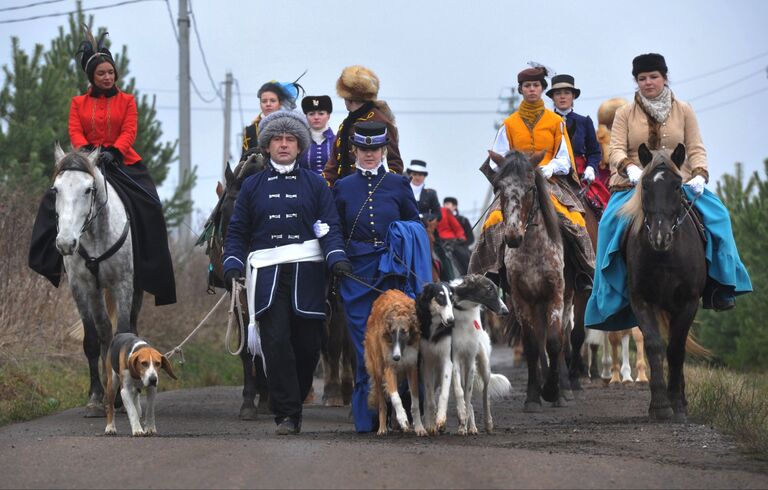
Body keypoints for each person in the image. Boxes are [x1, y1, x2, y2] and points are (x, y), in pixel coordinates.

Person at [585, 53, 752, 331]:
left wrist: (699, 174)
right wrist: (629, 168)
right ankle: (607, 297)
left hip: (678, 183)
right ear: (636, 81)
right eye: (642, 78)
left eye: (653, 77)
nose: (648, 83)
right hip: (635, 184)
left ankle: (720, 286)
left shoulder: (684, 109)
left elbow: (696, 147)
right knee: (606, 226)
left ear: (665, 77)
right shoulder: (625, 113)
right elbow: (614, 149)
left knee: (720, 216)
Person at [223, 110, 352, 435]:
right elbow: (237, 232)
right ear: (267, 146)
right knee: (276, 341)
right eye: (277, 139)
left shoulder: (316, 184)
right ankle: (288, 414)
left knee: (308, 346)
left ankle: (294, 397)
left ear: (299, 146)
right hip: (267, 276)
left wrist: (336, 256)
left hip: (308, 274)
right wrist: (232, 262)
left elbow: (331, 226)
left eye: (290, 139)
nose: (283, 145)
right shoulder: (252, 186)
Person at [28, 29, 176, 306]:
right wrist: (89, 154)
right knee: (53, 200)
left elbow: (130, 130)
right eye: (101, 74)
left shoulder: (128, 101)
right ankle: (52, 262)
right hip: (85, 162)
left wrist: (115, 151)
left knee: (151, 206)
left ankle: (148, 269)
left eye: (111, 72)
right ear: (91, 77)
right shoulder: (78, 103)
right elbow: (75, 132)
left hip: (122, 162)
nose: (107, 77)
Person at [333, 121, 430, 433]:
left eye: (375, 149)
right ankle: (368, 416)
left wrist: (403, 236)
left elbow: (414, 225)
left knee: (401, 340)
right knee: (367, 345)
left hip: (394, 272)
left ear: (384, 150)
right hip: (356, 274)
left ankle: (406, 413)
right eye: (363, 149)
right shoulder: (343, 187)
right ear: (355, 151)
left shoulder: (399, 185)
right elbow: (335, 229)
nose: (370, 154)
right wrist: (337, 257)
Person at [470, 66, 595, 291]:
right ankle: (491, 272)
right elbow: (493, 161)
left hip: (550, 182)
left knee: (574, 219)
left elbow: (565, 159)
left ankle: (584, 271)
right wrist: (511, 169)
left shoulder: (555, 122)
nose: (531, 90)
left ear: (542, 88)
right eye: (527, 86)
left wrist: (550, 167)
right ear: (521, 90)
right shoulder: (509, 124)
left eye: (536, 85)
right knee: (493, 219)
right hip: (517, 184)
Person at [322, 65, 403, 186]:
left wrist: (384, 190)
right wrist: (323, 188)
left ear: (349, 98)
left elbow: (394, 164)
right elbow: (333, 165)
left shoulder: (381, 121)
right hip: (344, 191)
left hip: (371, 192)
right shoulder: (346, 124)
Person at [546, 74, 610, 212]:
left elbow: (594, 152)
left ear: (573, 96)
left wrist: (591, 167)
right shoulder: (545, 122)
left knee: (601, 207)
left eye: (567, 93)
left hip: (580, 174)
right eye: (558, 93)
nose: (562, 97)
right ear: (552, 97)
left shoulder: (584, 121)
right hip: (552, 174)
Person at [240, 80, 300, 162]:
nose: (268, 104)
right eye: (264, 101)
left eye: (272, 101)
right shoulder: (250, 130)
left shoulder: (292, 127)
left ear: (280, 103)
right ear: (260, 104)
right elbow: (244, 160)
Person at [298, 95, 335, 174]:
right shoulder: (300, 142)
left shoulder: (337, 141)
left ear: (328, 116)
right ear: (306, 116)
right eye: (311, 114)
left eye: (321, 114)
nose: (316, 117)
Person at [437, 197, 470, 275]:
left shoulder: (445, 211)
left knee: (463, 255)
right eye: (445, 204)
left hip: (449, 240)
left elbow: (457, 228)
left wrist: (461, 237)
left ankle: (468, 275)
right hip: (434, 240)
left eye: (448, 204)